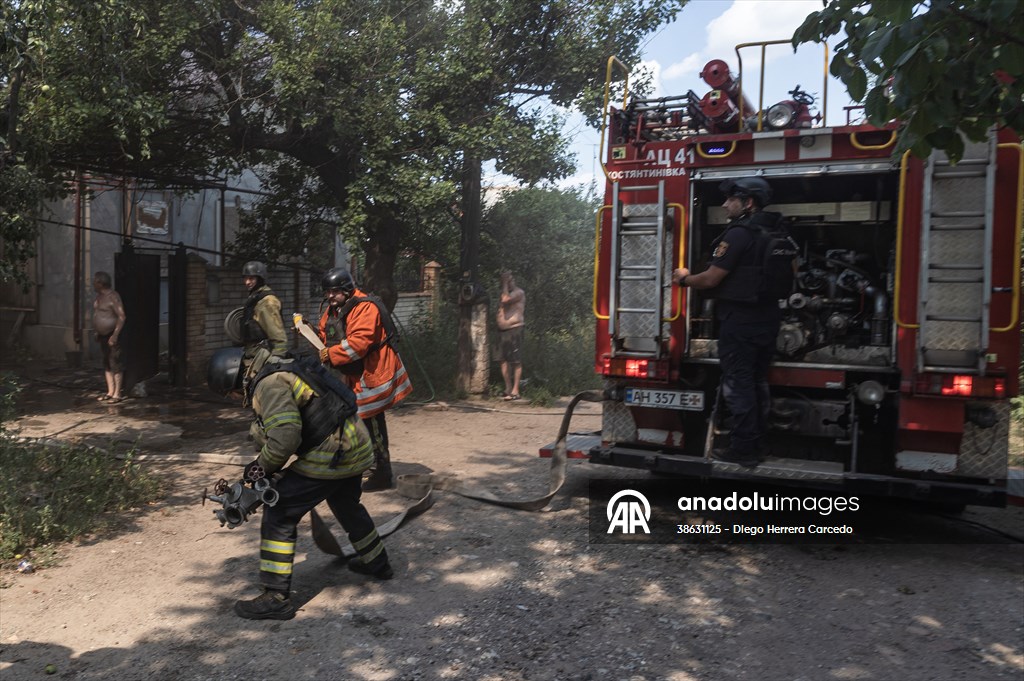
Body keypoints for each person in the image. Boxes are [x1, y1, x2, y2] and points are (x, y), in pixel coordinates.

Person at [206, 345, 394, 621]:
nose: (237, 399)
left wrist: (260, 467)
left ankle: (276, 597)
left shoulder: (268, 385)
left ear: (237, 380)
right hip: (355, 447)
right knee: (346, 504)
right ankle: (378, 563)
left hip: (332, 454)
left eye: (232, 393)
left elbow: (285, 438)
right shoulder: (283, 366)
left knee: (280, 513)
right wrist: (268, 470)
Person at [673, 177, 790, 468]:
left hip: (741, 320)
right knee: (757, 381)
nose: (725, 204)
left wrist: (684, 279)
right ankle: (758, 444)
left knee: (738, 384)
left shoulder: (738, 234)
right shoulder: (778, 232)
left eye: (731, 200)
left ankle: (743, 449)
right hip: (768, 318)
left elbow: (712, 278)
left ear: (747, 203)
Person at [317, 268, 412, 490]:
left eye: (334, 291)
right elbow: (327, 332)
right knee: (349, 417)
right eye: (327, 292)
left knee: (371, 419)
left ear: (347, 289)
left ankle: (382, 472)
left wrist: (330, 354)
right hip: (354, 373)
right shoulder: (336, 308)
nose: (329, 296)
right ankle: (360, 463)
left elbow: (359, 344)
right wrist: (308, 331)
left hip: (375, 371)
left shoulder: (365, 307)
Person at [240, 261, 287, 360]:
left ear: (260, 279)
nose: (247, 282)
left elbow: (279, 337)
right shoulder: (255, 297)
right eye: (245, 278)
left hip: (264, 358)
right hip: (253, 356)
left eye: (251, 278)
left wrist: (277, 359)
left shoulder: (267, 302)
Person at [92, 271, 126, 403]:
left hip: (112, 335)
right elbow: (99, 315)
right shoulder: (99, 297)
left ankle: (117, 394)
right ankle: (110, 391)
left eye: (95, 281)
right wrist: (97, 330)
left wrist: (115, 335)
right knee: (106, 363)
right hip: (102, 335)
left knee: (115, 363)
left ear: (100, 283)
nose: (93, 284)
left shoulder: (113, 297)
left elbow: (122, 316)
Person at [496, 270, 525, 401]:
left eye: (510, 280)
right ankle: (507, 388)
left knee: (515, 360)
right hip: (503, 331)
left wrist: (504, 283)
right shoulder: (504, 292)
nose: (508, 283)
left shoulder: (519, 292)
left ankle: (515, 390)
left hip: (515, 329)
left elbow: (506, 300)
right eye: (507, 280)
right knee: (502, 360)